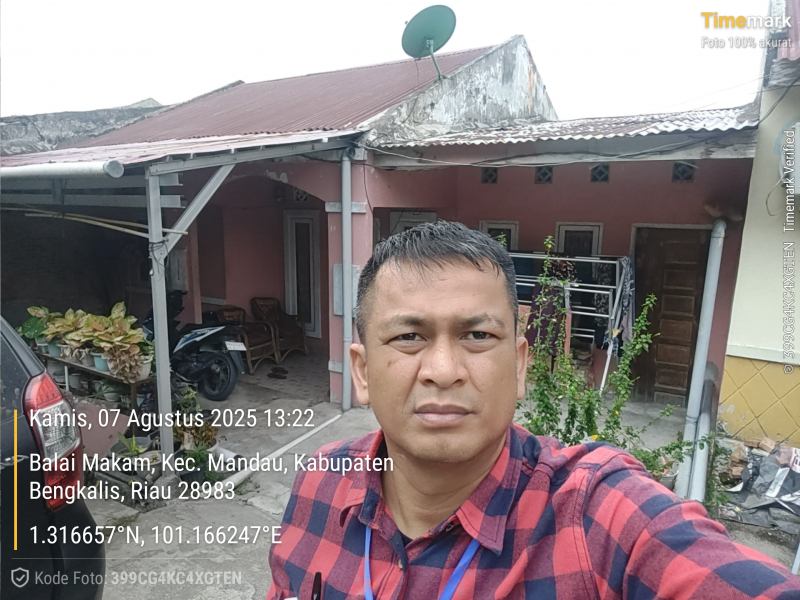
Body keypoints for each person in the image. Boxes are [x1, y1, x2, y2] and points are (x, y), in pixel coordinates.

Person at [267, 221, 800, 599]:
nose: (444, 370)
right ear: (362, 372)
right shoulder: (320, 481)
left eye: (478, 335)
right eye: (409, 336)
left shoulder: (595, 519)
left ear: (520, 366)